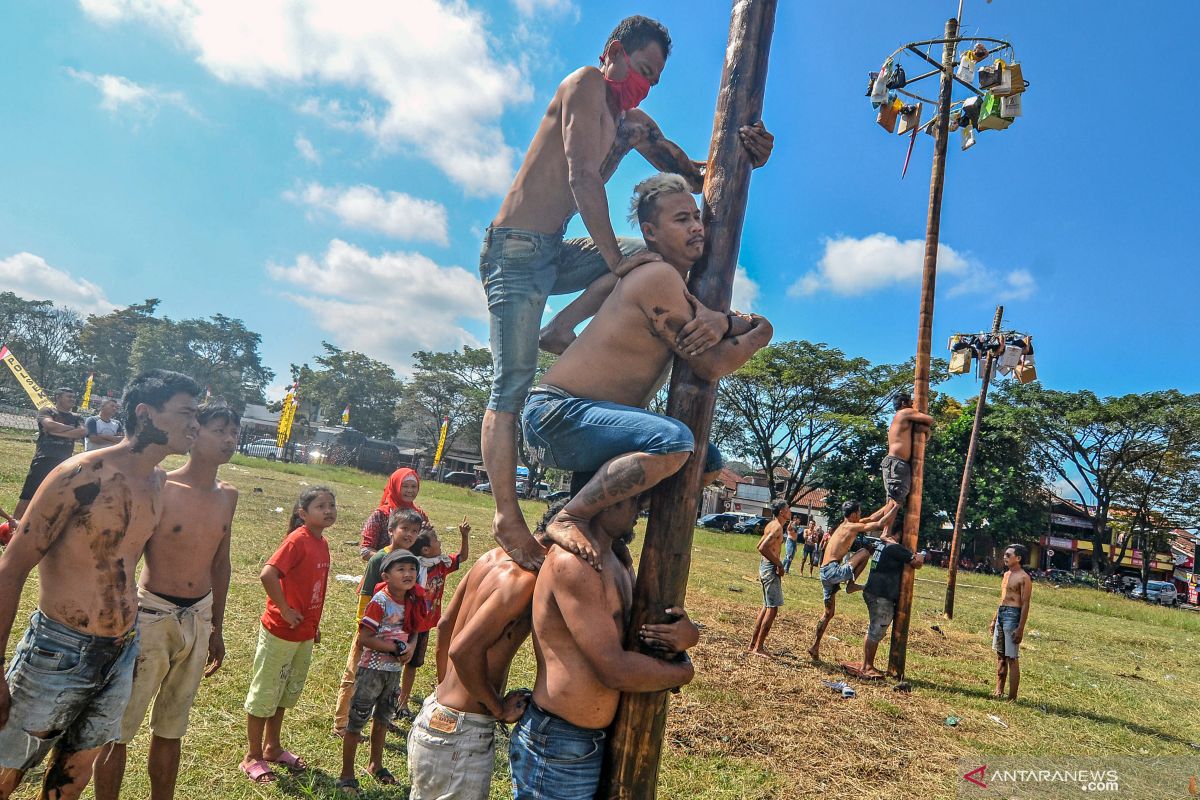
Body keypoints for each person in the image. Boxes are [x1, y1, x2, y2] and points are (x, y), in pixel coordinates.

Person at [480, 15, 774, 571]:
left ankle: (584, 357)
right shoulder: (586, 83)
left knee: (653, 264)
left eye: (654, 80)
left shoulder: (632, 122)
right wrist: (615, 262)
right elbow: (582, 177)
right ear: (613, 51)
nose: (644, 86)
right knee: (512, 380)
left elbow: (695, 172)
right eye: (641, 71)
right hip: (517, 250)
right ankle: (507, 517)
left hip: (559, 249)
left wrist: (749, 152)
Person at [522, 173, 773, 568]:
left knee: (707, 461)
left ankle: (602, 524)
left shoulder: (636, 278)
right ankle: (572, 515)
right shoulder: (659, 276)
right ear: (650, 232)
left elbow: (553, 335)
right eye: (681, 219)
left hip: (581, 421)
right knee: (673, 441)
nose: (695, 226)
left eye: (697, 217)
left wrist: (603, 364)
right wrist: (761, 333)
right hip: (559, 415)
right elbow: (710, 364)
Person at [0, 369, 201, 800]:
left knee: (73, 778)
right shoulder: (81, 475)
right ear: (146, 414)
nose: (194, 425)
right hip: (58, 650)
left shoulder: (158, 482)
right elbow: (11, 568)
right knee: (7, 769)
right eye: (185, 413)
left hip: (121, 650)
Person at [94, 401, 240, 800]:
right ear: (194, 433)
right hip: (151, 615)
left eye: (235, 432)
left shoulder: (228, 495)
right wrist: (119, 620)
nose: (229, 439)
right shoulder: (162, 485)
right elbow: (130, 553)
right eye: (220, 430)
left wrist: (216, 627)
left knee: (172, 727)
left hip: (197, 617)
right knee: (118, 729)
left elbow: (220, 563)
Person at [509, 493, 698, 799]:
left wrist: (684, 637)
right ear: (604, 498)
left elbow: (639, 637)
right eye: (632, 498)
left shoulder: (617, 560)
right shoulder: (573, 565)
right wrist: (683, 672)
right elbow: (614, 669)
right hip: (560, 744)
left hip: (594, 740)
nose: (640, 508)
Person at [240, 487, 335, 785]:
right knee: (265, 693)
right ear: (302, 513)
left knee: (284, 692)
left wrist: (312, 624)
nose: (329, 510)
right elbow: (268, 574)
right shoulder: (297, 540)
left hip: (303, 634)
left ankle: (272, 747)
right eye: (321, 506)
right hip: (281, 632)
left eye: (332, 505)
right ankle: (252, 755)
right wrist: (283, 608)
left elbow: (312, 589)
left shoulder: (323, 543)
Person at [337, 549, 422, 796]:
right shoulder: (380, 602)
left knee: (383, 719)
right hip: (371, 671)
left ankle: (375, 764)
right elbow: (364, 637)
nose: (408, 574)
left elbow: (415, 630)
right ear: (386, 575)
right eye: (401, 570)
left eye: (412, 569)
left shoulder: (411, 601)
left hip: (393, 673)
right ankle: (347, 775)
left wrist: (411, 648)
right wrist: (393, 647)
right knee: (356, 723)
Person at [333, 508, 423, 737]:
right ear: (391, 531)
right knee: (354, 674)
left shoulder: (410, 562)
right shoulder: (379, 559)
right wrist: (363, 626)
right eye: (405, 529)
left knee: (387, 678)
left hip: (396, 631)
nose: (409, 535)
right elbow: (366, 594)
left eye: (415, 531)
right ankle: (342, 723)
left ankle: (381, 719)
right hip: (371, 629)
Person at [395, 523, 469, 719]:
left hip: (424, 625)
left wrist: (464, 536)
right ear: (426, 549)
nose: (440, 542)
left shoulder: (441, 565)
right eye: (436, 540)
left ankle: (402, 702)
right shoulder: (411, 566)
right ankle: (389, 698)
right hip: (406, 622)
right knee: (397, 661)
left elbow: (462, 557)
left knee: (413, 664)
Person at [807, 500, 897, 661]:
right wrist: (897, 506)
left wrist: (888, 504)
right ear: (854, 514)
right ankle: (851, 585)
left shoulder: (846, 525)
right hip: (833, 571)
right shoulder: (851, 527)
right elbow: (880, 523)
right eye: (860, 512)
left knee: (828, 613)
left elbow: (872, 517)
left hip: (824, 572)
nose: (861, 515)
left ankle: (815, 646)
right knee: (865, 551)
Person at [853, 528, 925, 679]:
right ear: (900, 533)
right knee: (876, 630)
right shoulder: (894, 548)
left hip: (872, 591)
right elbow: (916, 562)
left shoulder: (882, 544)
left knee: (872, 629)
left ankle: (867, 663)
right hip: (881, 596)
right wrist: (921, 555)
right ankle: (867, 666)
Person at [12, 387, 85, 520]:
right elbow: (49, 425)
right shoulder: (47, 411)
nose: (72, 399)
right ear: (58, 397)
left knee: (57, 495)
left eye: (73, 397)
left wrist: (57, 431)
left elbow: (82, 432)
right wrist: (70, 430)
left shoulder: (77, 417)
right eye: (69, 396)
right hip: (44, 458)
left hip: (65, 462)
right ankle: (13, 525)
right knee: (28, 495)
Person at [876, 393, 934, 535]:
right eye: (911, 401)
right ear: (903, 403)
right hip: (896, 463)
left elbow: (925, 433)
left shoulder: (904, 417)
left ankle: (874, 525)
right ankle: (885, 532)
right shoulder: (904, 412)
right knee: (895, 501)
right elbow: (929, 419)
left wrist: (926, 431)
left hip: (897, 464)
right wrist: (925, 424)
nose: (914, 403)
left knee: (895, 500)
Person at [748, 500, 790, 657]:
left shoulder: (771, 525)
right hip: (770, 569)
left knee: (767, 607)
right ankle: (758, 648)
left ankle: (753, 645)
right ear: (781, 512)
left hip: (765, 566)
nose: (790, 511)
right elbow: (762, 547)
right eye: (787, 509)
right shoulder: (777, 527)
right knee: (772, 609)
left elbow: (759, 544)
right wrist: (779, 564)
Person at [991, 544, 1032, 701]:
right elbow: (1002, 599)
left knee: (1011, 657)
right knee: (1000, 655)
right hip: (1002, 613)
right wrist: (994, 619)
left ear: (1018, 558)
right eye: (1005, 554)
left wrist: (1020, 628)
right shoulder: (1006, 575)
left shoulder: (1024, 578)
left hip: (1013, 616)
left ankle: (1012, 697)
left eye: (1009, 555)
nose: (1005, 557)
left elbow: (1025, 603)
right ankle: (998, 690)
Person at [359, 467, 427, 560]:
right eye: (405, 486)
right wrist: (392, 560)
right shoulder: (381, 515)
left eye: (413, 486)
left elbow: (427, 546)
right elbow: (365, 551)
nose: (410, 490)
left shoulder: (420, 515)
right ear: (395, 486)